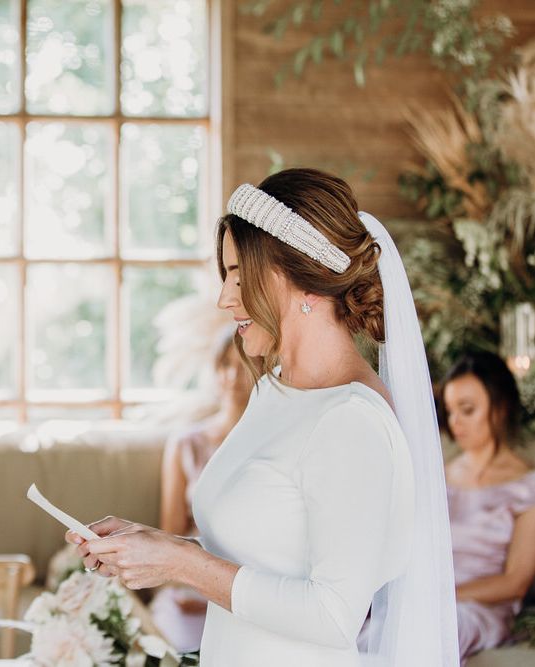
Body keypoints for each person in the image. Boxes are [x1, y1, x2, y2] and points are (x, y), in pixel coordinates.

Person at [68, 168, 459, 666]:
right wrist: (156, 547)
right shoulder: (273, 390)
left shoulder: (351, 422)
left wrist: (182, 562)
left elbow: (334, 615)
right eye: (225, 275)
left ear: (305, 283)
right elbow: (265, 550)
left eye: (238, 274)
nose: (224, 297)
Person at [150, 330, 253, 653]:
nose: (233, 376)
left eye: (244, 364)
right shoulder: (185, 444)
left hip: (251, 588)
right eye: (225, 365)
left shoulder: (273, 443)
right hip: (191, 591)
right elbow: (171, 534)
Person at [441, 351, 535, 664]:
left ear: (500, 408)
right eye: (451, 410)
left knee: (445, 628)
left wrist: (444, 598)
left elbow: (516, 582)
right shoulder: (440, 475)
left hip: (479, 610)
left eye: (467, 410)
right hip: (429, 597)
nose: (456, 422)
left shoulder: (527, 486)